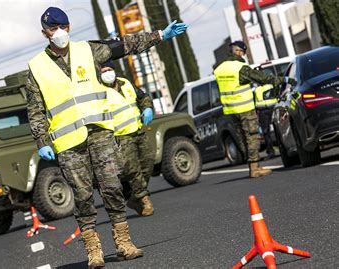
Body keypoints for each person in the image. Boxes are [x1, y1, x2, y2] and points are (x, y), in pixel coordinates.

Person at [26, 6, 188, 268]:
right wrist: (42, 141)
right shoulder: (37, 67)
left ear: (69, 27)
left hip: (100, 132)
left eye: (63, 27)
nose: (59, 33)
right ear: (44, 33)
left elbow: (123, 46)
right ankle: (94, 250)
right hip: (68, 142)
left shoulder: (87, 50)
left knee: (112, 187)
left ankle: (123, 243)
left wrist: (159, 35)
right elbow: (34, 110)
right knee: (82, 195)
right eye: (53, 29)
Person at [213, 41, 294, 178]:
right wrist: (283, 79)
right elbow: (262, 79)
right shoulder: (240, 68)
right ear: (238, 51)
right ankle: (255, 168)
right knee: (252, 136)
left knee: (242, 138)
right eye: (243, 53)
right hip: (245, 108)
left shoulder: (219, 69)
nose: (243, 55)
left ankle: (251, 165)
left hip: (230, 110)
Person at [100, 61, 155, 216]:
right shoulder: (99, 92)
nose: (107, 73)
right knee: (133, 170)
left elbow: (143, 98)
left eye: (109, 69)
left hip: (138, 131)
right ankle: (144, 200)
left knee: (148, 162)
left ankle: (133, 198)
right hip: (121, 137)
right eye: (103, 71)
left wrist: (148, 108)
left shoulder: (126, 83)